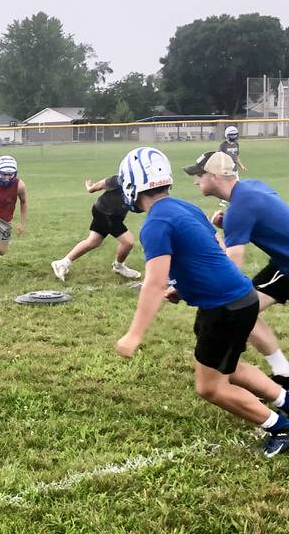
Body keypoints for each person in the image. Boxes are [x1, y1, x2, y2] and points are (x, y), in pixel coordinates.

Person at [114, 147, 289, 457]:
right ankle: (286, 401)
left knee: (210, 387)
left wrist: (134, 335)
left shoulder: (155, 224)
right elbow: (212, 250)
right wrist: (183, 289)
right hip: (237, 301)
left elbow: (154, 282)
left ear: (132, 185)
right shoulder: (183, 207)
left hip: (225, 308)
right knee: (228, 369)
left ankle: (280, 427)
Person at [184, 150, 289, 389]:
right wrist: (231, 224)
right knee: (245, 307)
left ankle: (284, 373)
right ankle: (283, 372)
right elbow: (268, 216)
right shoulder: (250, 189)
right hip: (282, 264)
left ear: (214, 176)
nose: (195, 180)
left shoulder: (240, 208)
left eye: (199, 175)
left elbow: (231, 270)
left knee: (239, 306)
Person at [51, 173, 140, 281]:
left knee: (93, 241)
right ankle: (119, 266)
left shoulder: (143, 185)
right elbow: (101, 184)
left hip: (106, 212)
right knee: (128, 242)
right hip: (107, 213)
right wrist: (90, 188)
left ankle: (62, 263)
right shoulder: (120, 179)